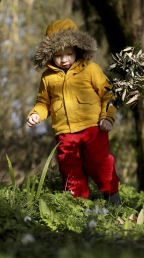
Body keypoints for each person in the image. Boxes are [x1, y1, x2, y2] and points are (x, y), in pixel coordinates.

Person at [27, 19, 121, 205]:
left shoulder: (91, 69)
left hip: (94, 128)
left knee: (99, 162)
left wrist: (107, 117)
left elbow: (109, 94)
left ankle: (112, 197)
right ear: (49, 54)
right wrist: (36, 114)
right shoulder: (48, 78)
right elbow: (43, 102)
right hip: (65, 133)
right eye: (58, 55)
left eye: (69, 53)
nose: (64, 60)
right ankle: (77, 206)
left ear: (78, 48)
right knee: (70, 170)